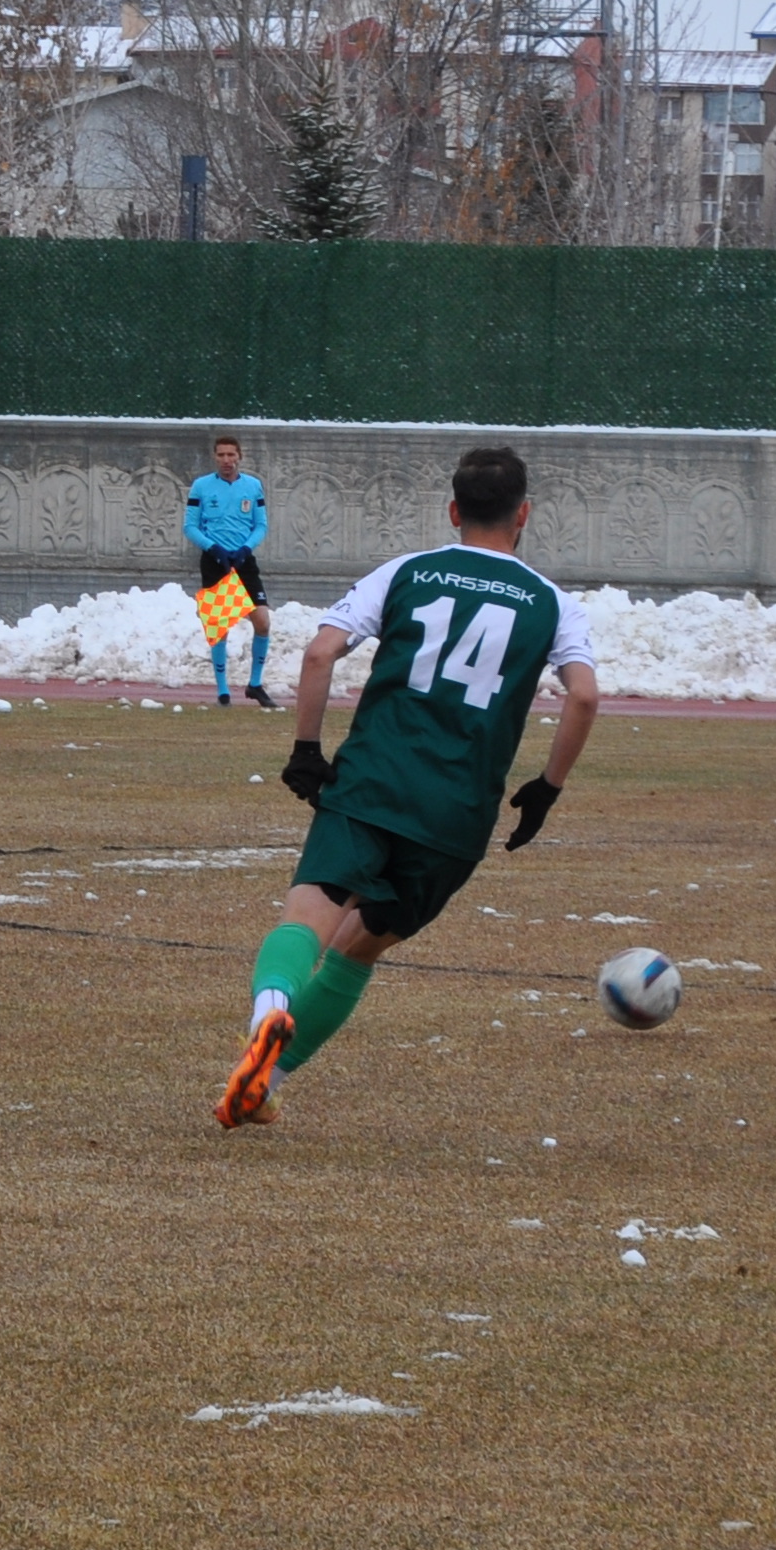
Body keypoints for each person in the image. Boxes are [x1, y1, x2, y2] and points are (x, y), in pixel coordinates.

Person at [218, 445, 600, 1130]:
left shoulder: (409, 571)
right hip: (456, 812)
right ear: (524, 515)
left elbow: (318, 652)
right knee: (359, 947)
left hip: (372, 780)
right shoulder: (551, 603)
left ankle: (268, 1018)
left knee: (308, 917)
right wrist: (546, 787)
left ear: (453, 511)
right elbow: (584, 699)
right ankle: (266, 1080)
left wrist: (307, 748)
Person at [188, 433, 277, 710]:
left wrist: (245, 549)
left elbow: (261, 525)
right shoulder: (201, 486)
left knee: (262, 621)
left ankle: (255, 684)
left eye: (231, 455)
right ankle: (223, 690)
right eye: (221, 455)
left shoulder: (252, 486)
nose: (226, 460)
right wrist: (213, 548)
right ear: (215, 457)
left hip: (243, 561)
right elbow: (190, 526)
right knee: (220, 626)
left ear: (239, 457)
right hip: (215, 561)